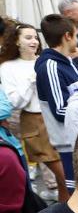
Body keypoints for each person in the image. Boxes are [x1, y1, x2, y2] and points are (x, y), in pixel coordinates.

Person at [0, 22, 71, 201]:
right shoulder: (8, 67)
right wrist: (31, 82)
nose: (34, 42)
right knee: (65, 176)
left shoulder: (47, 60)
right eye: (28, 37)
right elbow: (15, 103)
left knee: (66, 179)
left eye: (35, 37)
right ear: (16, 41)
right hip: (34, 122)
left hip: (59, 117)